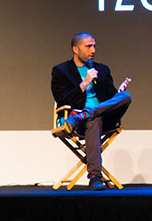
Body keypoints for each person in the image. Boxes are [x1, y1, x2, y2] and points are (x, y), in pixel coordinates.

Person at [51, 32, 132, 190]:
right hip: (76, 121)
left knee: (126, 96)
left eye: (94, 46)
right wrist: (84, 83)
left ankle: (87, 113)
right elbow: (61, 100)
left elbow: (111, 97)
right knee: (93, 120)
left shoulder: (102, 69)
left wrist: (118, 93)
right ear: (76, 49)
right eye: (88, 46)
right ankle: (95, 177)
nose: (93, 50)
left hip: (99, 118)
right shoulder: (61, 70)